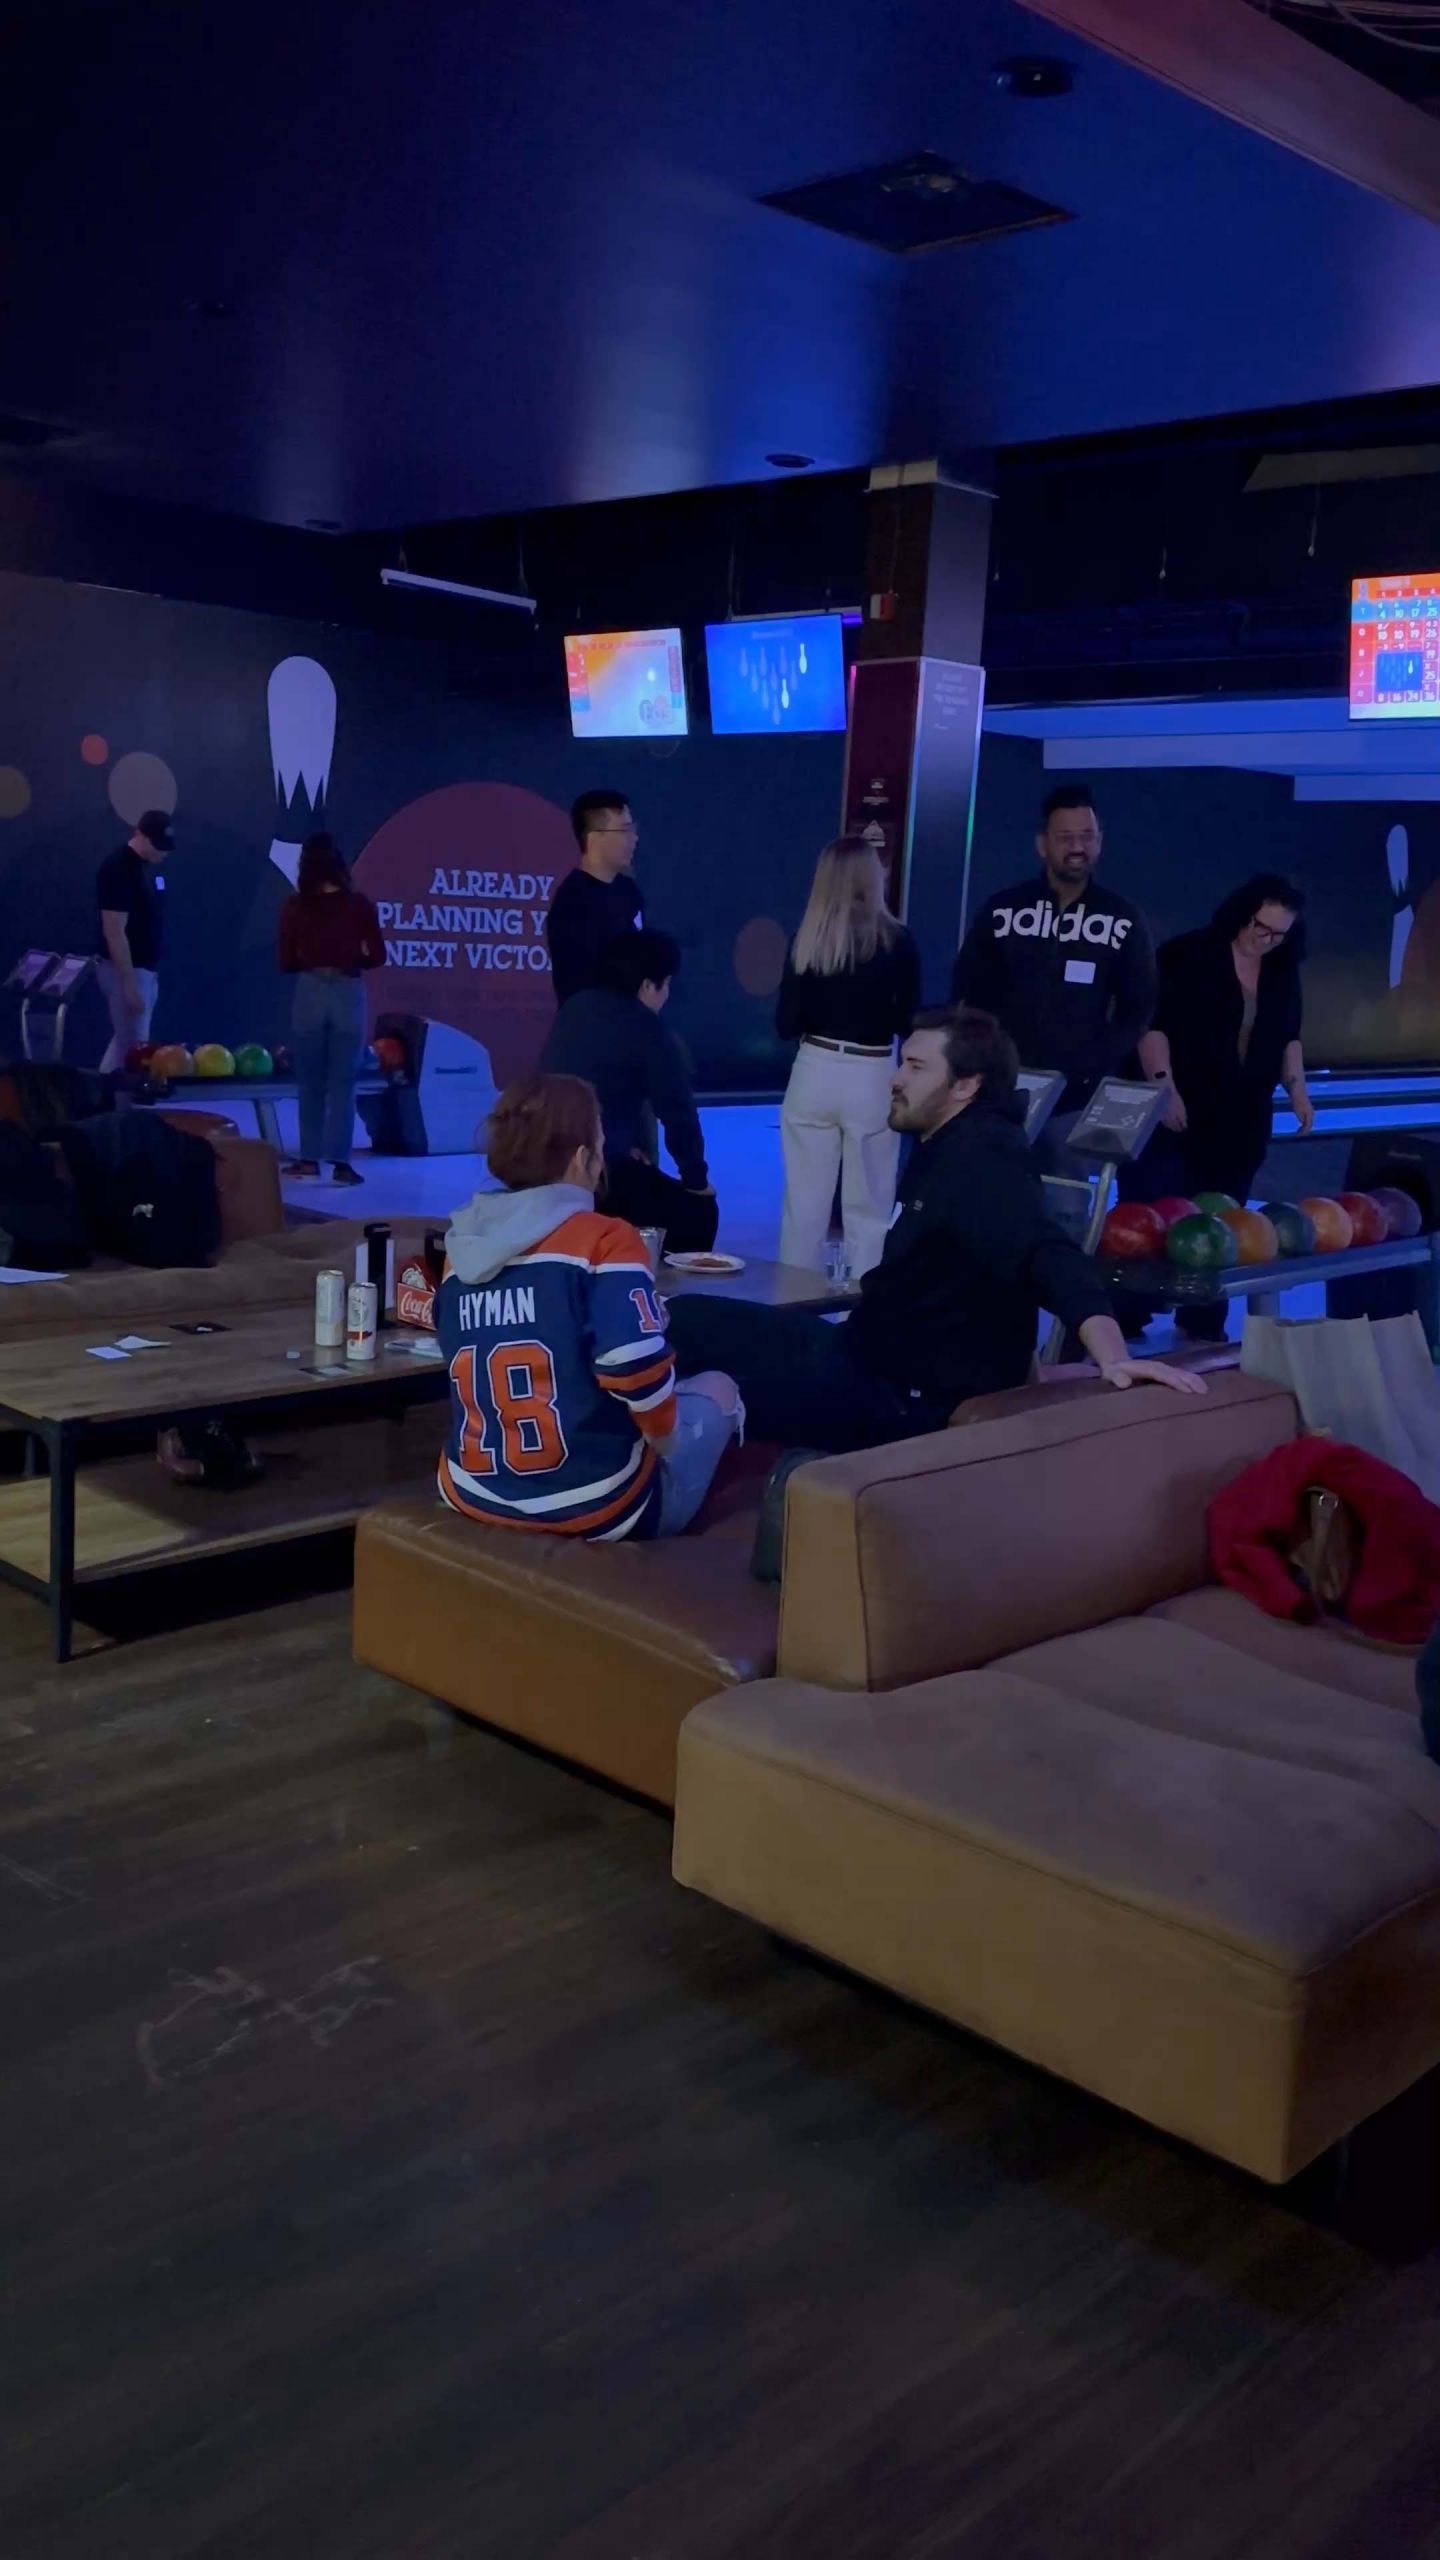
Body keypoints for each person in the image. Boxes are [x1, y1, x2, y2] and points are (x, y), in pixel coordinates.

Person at [666, 1008, 1205, 1453]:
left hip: (898, 1398)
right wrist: (1031, 1370)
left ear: (965, 1085)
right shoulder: (941, 1140)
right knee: (680, 1319)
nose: (895, 1078)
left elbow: (1043, 1252)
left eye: (916, 1067)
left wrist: (1112, 1354)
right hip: (862, 1351)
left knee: (703, 1394)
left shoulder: (984, 1159)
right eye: (903, 1062)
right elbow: (991, 1274)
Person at [436, 1072, 741, 1539]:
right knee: (719, 1387)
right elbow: (634, 1368)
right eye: (600, 1148)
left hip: (471, 1493)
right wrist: (664, 1439)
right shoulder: (605, 1239)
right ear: (582, 1159)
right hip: (598, 1506)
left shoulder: (459, 1250)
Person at [1135, 873, 1313, 1339]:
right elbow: (1153, 1027)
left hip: (1241, 1119)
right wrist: (1164, 1089)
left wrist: (1297, 1091)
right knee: (1157, 1211)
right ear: (1242, 913)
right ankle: (1127, 1312)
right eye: (1259, 926)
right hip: (1180, 1108)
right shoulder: (1188, 955)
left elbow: (1288, 1037)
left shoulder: (1281, 970)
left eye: (1278, 934)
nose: (1265, 939)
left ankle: (1201, 1318)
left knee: (1225, 1218)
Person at [951, 783, 1156, 1165]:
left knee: (1065, 1194)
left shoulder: (1122, 918)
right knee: (990, 1185)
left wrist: (1095, 1063)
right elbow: (967, 988)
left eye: (1087, 836)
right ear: (1042, 844)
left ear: (1099, 842)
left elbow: (1139, 1005)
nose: (1078, 847)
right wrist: (982, 1059)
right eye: (1066, 837)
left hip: (1075, 1101)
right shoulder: (1003, 910)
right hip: (1000, 1092)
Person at [775, 833, 921, 1277]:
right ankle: (863, 1303)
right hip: (872, 1073)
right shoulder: (898, 942)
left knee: (803, 1208)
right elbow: (908, 1021)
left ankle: (793, 1302)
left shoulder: (806, 940)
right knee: (869, 1210)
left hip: (814, 1068)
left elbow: (786, 1024)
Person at [538, 924, 719, 1253]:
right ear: (649, 985)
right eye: (667, 985)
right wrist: (696, 1181)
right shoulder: (647, 1028)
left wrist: (620, 1145)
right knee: (700, 1212)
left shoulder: (574, 1008)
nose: (667, 995)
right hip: (596, 1175)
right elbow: (678, 1114)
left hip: (540, 1165)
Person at [276, 831, 384, 1186]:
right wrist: (351, 958)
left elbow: (285, 960)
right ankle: (341, 1164)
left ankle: (308, 1160)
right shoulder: (359, 905)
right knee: (343, 1082)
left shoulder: (295, 906)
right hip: (348, 992)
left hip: (309, 991)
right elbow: (378, 956)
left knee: (309, 1081)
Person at [545, 791, 644, 1006]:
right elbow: (579, 981)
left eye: (633, 830)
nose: (634, 838)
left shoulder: (628, 891)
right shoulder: (573, 900)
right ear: (595, 838)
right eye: (624, 830)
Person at [96, 809, 171, 1071]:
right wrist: (129, 984)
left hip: (142, 970)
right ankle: (120, 1096)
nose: (163, 852)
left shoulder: (143, 868)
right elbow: (114, 931)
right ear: (140, 834)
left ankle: (103, 1092)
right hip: (127, 970)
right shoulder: (118, 869)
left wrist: (148, 975)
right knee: (136, 1048)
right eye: (158, 844)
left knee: (125, 1043)